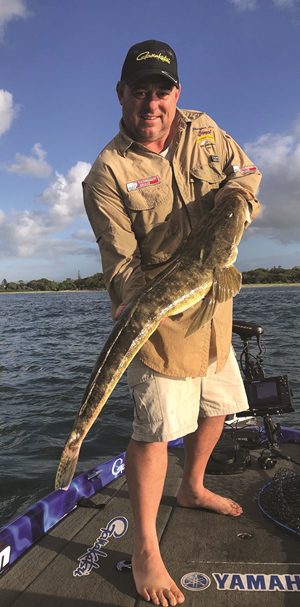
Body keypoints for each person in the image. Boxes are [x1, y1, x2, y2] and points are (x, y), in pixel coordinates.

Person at [83, 40, 261, 606]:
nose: (152, 102)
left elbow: (248, 173)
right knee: (156, 429)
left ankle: (191, 487)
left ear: (176, 93)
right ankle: (144, 548)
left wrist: (238, 201)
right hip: (159, 320)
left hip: (214, 305)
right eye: (141, 91)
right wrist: (142, 305)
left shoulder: (206, 130)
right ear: (123, 95)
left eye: (162, 91)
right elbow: (124, 266)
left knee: (220, 407)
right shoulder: (108, 172)